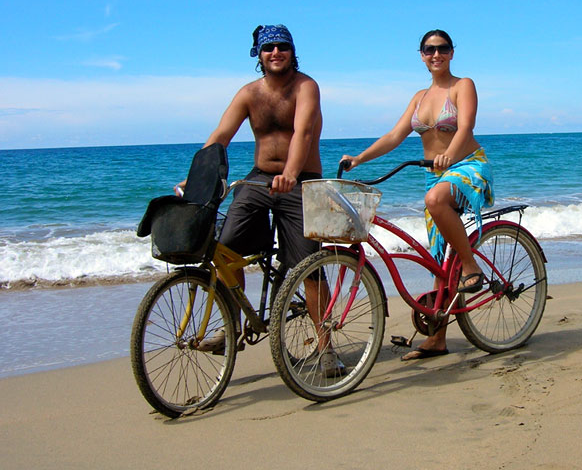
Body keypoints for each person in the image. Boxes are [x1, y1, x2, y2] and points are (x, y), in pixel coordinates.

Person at [178, 24, 343, 376]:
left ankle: (327, 348)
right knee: (226, 251)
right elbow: (221, 135)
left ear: (292, 50)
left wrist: (292, 173)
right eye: (269, 48)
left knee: (307, 267)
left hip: (301, 182)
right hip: (258, 179)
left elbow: (304, 131)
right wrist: (198, 177)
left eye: (282, 46)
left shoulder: (305, 86)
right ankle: (231, 327)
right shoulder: (248, 94)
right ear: (258, 54)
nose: (276, 53)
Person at [340, 29, 493, 361]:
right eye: (429, 50)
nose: (435, 54)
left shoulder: (462, 85)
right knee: (438, 258)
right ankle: (437, 339)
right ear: (421, 55)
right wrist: (359, 158)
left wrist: (451, 155)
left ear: (452, 52)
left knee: (436, 201)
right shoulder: (419, 97)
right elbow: (395, 135)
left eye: (441, 49)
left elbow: (465, 126)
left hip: (468, 165)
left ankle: (471, 267)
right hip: (434, 174)